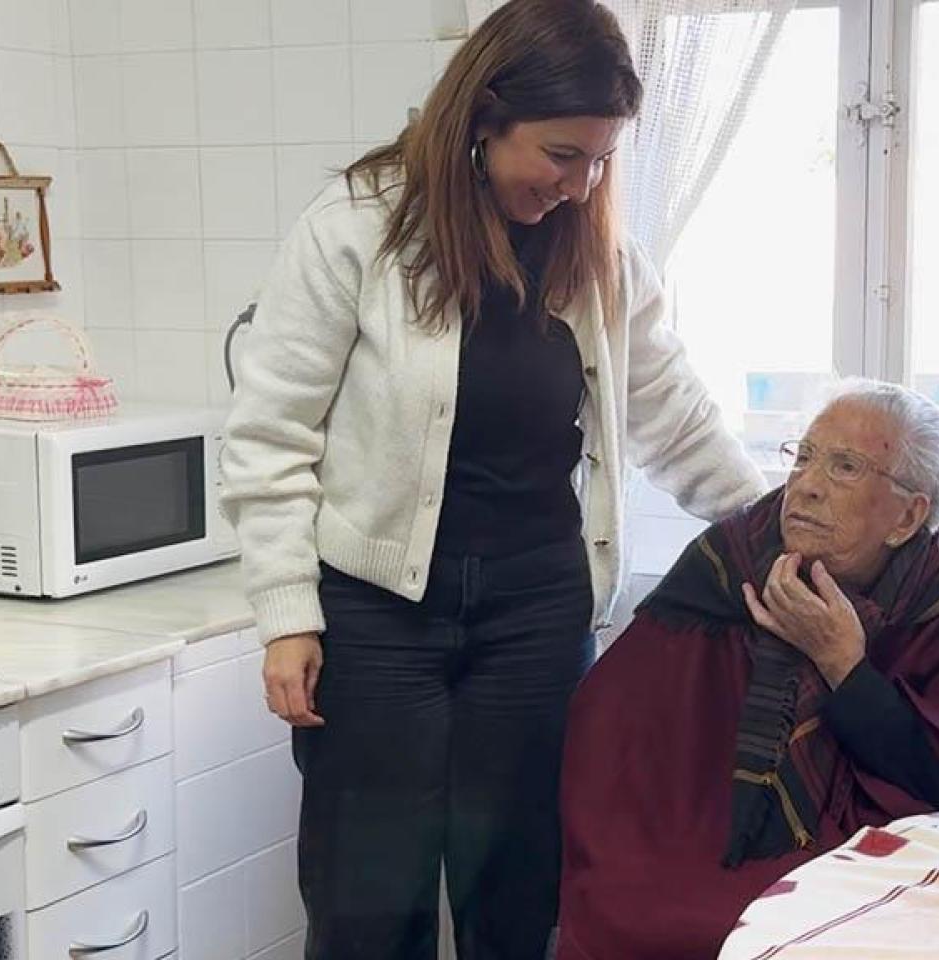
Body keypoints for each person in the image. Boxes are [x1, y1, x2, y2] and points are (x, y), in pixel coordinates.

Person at [218, 1, 765, 957]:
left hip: (536, 617)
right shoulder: (357, 229)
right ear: (484, 115)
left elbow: (673, 414)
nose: (580, 182)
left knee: (515, 893)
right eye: (561, 154)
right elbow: (271, 433)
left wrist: (773, 533)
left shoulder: (598, 254)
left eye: (600, 160)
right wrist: (285, 613)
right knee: (367, 901)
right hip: (378, 616)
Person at [555, 380, 939, 960]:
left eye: (844, 468)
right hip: (706, 840)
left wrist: (845, 666)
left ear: (908, 516)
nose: (806, 486)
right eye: (805, 456)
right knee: (632, 899)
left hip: (883, 851)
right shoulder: (735, 562)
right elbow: (618, 721)